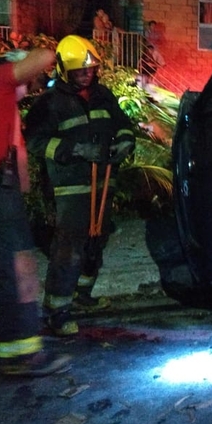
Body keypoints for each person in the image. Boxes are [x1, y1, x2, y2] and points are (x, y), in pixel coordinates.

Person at [0, 48, 72, 377]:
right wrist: (23, 60)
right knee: (19, 270)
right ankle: (22, 353)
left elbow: (17, 157)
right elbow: (47, 55)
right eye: (28, 77)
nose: (34, 82)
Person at [24, 35, 135, 337]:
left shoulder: (102, 95)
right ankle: (56, 311)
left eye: (91, 69)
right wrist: (76, 150)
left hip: (104, 184)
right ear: (64, 70)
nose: (87, 75)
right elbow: (35, 141)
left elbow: (121, 122)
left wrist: (126, 139)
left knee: (96, 242)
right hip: (69, 189)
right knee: (68, 250)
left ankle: (83, 295)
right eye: (80, 71)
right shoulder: (49, 103)